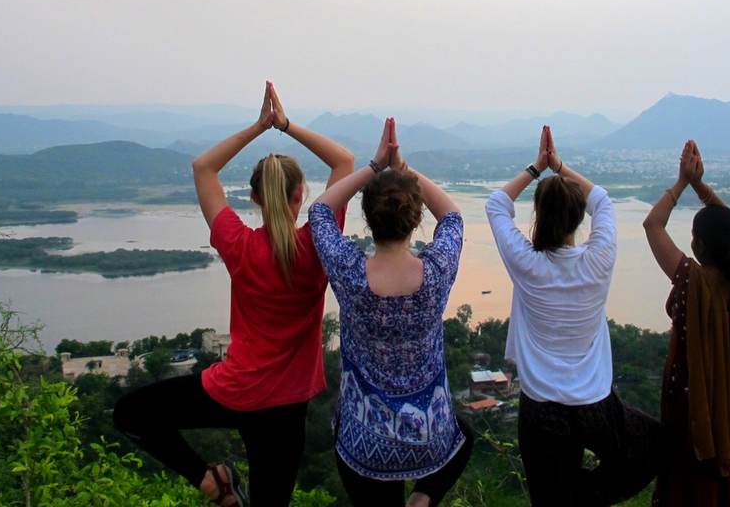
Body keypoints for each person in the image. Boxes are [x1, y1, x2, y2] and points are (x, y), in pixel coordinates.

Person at [112, 81, 354, 507]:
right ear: (302, 196)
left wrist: (261, 127)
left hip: (235, 391)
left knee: (130, 415)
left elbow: (203, 168)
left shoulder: (238, 243)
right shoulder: (318, 243)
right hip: (287, 407)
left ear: (256, 198)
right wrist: (286, 125)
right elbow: (344, 160)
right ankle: (222, 486)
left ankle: (211, 482)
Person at [486, 126, 662, 506]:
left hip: (541, 410)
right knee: (653, 445)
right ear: (578, 217)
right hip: (595, 404)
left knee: (550, 498)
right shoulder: (597, 260)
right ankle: (587, 497)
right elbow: (603, 199)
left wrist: (537, 168)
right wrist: (560, 166)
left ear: (539, 215)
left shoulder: (528, 265)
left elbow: (496, 204)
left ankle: (574, 497)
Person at [308, 118, 473, 507]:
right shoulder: (434, 273)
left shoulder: (351, 273)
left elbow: (319, 212)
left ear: (367, 217)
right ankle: (423, 498)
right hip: (430, 439)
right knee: (464, 435)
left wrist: (376, 166)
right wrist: (404, 171)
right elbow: (452, 216)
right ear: (416, 219)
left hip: (366, 445)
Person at [643, 140, 730, 506]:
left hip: (690, 393)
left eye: (694, 237)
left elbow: (653, 224)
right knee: (729, 453)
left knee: (690, 470)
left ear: (698, 245)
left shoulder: (692, 281)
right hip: (729, 386)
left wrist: (683, 182)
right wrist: (702, 187)